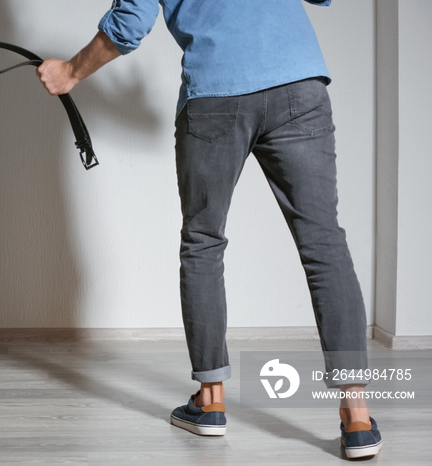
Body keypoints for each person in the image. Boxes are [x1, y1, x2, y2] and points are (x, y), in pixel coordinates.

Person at [36, 0, 382, 459]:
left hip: (217, 93)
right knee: (324, 242)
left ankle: (211, 403)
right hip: (299, 82)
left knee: (203, 242)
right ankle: (356, 417)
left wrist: (71, 72)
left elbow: (129, 24)